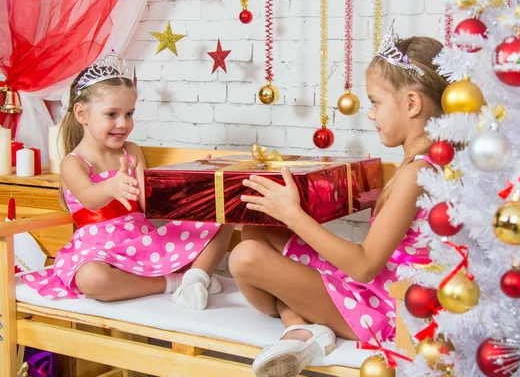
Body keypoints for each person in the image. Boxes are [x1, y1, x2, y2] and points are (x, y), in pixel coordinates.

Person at [230, 24, 450, 377]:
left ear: (411, 103)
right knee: (255, 231)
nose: (372, 114)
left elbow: (364, 266)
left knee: (244, 256)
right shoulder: (423, 163)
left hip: (389, 304)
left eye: (376, 102)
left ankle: (297, 326)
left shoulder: (416, 173)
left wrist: (294, 214)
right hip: (377, 286)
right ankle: (300, 326)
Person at [22, 52, 233, 310]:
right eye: (111, 114)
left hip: (142, 241)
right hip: (99, 250)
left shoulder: (130, 152)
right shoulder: (73, 162)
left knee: (223, 219)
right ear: (82, 113)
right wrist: (111, 186)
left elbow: (150, 203)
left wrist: (191, 179)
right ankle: (172, 283)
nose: (123, 124)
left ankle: (196, 277)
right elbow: (89, 198)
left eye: (129, 114)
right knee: (92, 279)